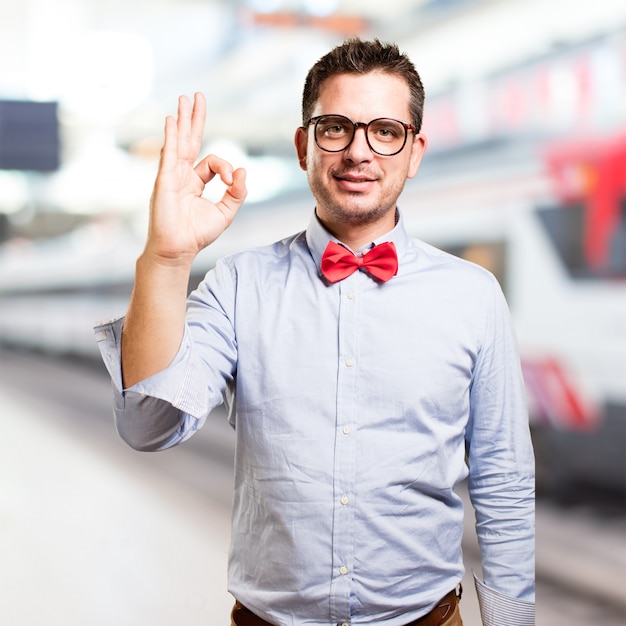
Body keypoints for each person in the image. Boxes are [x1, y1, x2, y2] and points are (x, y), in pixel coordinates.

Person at [95, 38, 534, 626]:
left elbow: (503, 481)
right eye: (335, 128)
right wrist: (167, 258)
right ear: (304, 145)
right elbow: (147, 427)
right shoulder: (237, 284)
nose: (359, 152)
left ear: (415, 150)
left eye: (385, 130)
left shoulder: (474, 297)